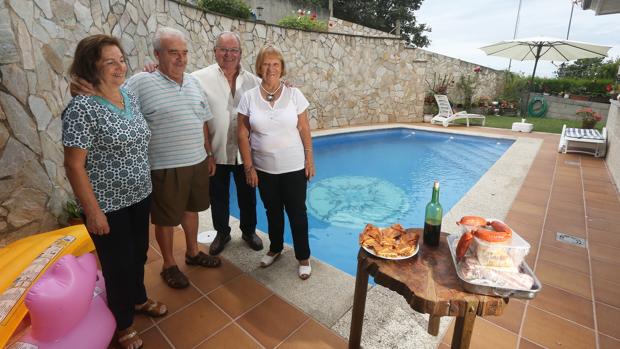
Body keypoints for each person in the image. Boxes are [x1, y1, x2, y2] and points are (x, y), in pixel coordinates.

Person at [71, 27, 222, 289]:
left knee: (191, 209)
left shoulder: (194, 83)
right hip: (164, 165)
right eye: (173, 53)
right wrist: (83, 89)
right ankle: (168, 265)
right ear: (157, 54)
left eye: (184, 53)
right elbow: (110, 96)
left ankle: (192, 251)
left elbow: (202, 122)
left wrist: (208, 152)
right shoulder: (141, 82)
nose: (180, 59)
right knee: (165, 219)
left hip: (197, 160)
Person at [62, 34, 166, 349]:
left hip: (139, 194)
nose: (119, 67)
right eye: (110, 62)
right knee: (116, 263)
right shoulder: (82, 108)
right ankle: (121, 323)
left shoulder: (128, 96)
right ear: (91, 67)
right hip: (108, 204)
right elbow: (74, 165)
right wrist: (93, 211)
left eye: (121, 60)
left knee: (138, 254)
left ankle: (137, 298)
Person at [237, 44, 316, 280]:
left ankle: (303, 256)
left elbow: (304, 128)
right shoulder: (249, 97)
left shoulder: (294, 94)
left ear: (281, 68)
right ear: (259, 68)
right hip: (264, 168)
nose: (271, 68)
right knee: (272, 210)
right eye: (266, 64)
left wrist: (309, 158)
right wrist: (248, 166)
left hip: (293, 167)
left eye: (275, 64)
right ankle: (276, 248)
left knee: (297, 213)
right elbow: (242, 132)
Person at [191, 32, 263, 255]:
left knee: (248, 196)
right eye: (223, 49)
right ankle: (222, 233)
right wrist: (207, 153)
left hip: (245, 154)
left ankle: (249, 231)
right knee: (218, 197)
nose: (228, 54)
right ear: (215, 51)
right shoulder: (197, 78)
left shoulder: (254, 81)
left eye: (234, 50)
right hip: (216, 151)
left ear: (241, 53)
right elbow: (200, 117)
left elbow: (274, 91)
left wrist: (286, 84)